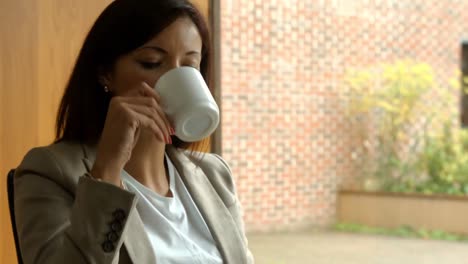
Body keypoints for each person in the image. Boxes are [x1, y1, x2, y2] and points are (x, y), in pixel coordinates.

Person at [13, 0, 253, 263]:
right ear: (105, 74)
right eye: (151, 62)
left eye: (189, 66)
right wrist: (107, 170)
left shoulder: (214, 173)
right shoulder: (50, 171)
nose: (176, 77)